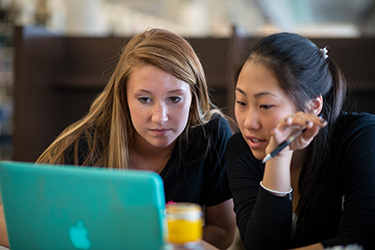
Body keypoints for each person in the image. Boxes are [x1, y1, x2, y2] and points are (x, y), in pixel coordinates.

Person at [0, 28, 236, 249]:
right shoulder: (86, 143)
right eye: (144, 99)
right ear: (123, 97)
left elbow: (223, 231)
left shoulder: (211, 135)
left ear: (193, 97)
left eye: (174, 99)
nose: (159, 117)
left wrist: (160, 243)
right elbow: (11, 221)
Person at [225, 32, 375, 250]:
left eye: (265, 105)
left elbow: (359, 242)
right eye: (241, 102)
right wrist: (279, 157)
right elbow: (260, 245)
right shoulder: (242, 149)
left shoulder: (361, 137)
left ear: (313, 106)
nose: (248, 122)